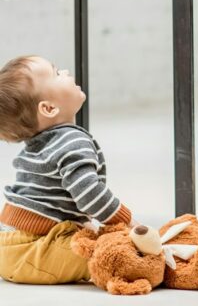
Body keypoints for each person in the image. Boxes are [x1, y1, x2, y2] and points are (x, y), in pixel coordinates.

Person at [0, 56, 132, 284]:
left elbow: (59, 201)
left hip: (11, 245)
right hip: (34, 248)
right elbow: (88, 192)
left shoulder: (44, 143)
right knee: (116, 254)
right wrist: (126, 222)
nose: (66, 71)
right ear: (49, 108)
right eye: (56, 73)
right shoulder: (71, 140)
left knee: (96, 241)